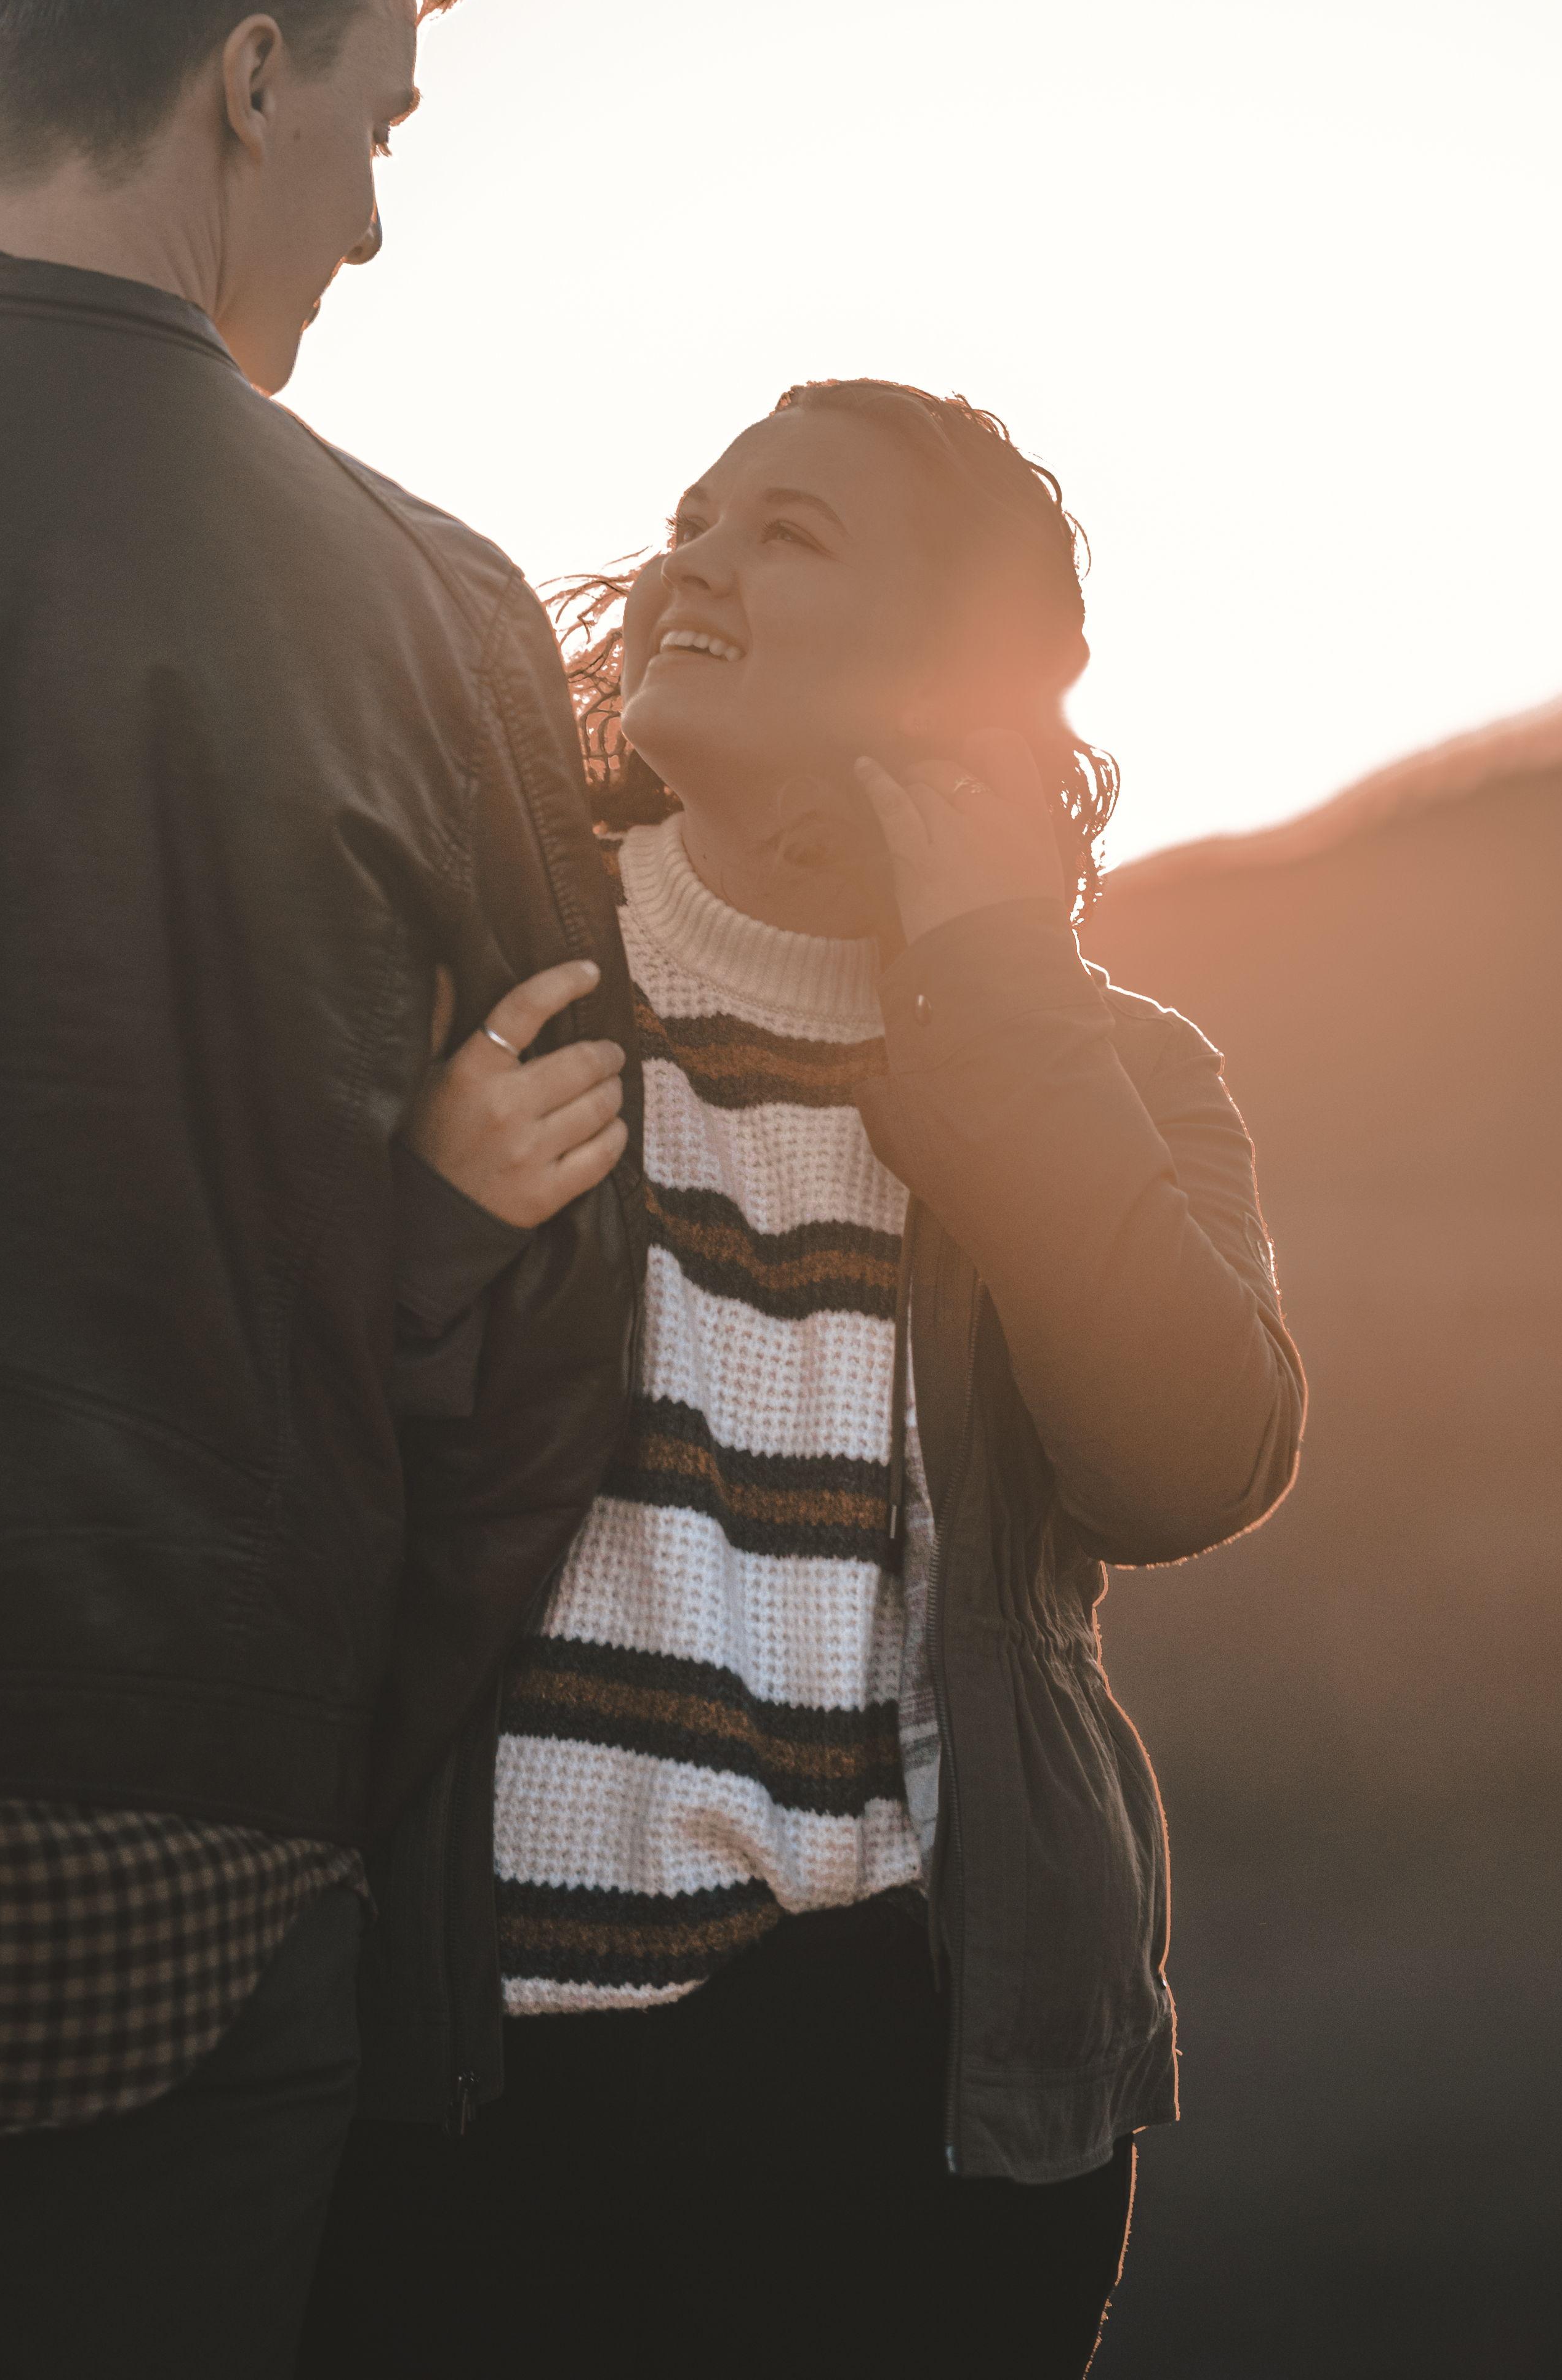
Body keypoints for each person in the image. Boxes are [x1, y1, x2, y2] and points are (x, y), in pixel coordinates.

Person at [300, 381, 1308, 2379]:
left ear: (952, 668)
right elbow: (270, 1416)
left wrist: (998, 985)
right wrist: (424, 1218)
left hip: (896, 2091)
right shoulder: (472, 973)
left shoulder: (1123, 1067)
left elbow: (1188, 1458)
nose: (696, 560)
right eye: (692, 516)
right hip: (463, 2058)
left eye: (791, 532)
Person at [0, 0, 643, 2379]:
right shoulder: (421, 608)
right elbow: (569, 1315)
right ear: (245, 76)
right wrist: (327, 1747)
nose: (370, 206)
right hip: (178, 1867)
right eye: (372, 112)